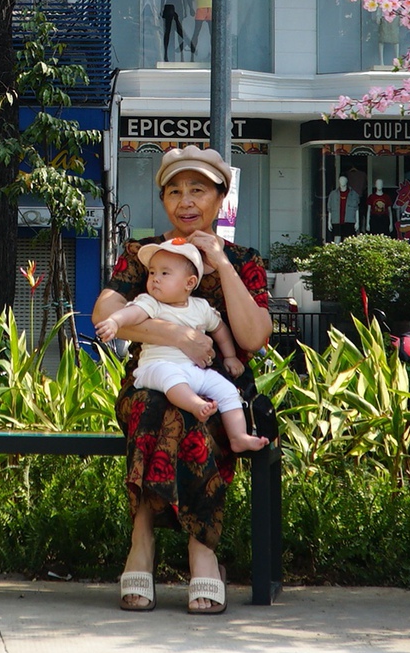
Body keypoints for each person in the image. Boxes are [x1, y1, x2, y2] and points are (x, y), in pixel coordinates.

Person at [91, 145, 273, 615]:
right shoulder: (146, 255)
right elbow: (106, 313)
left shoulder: (244, 260)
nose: (186, 201)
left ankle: (194, 547)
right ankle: (151, 541)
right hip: (152, 379)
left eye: (198, 190)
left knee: (199, 413)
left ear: (220, 198)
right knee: (158, 405)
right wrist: (176, 335)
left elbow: (253, 338)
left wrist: (222, 264)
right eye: (174, 191)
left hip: (223, 389)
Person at [93, 239, 268, 456]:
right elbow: (131, 314)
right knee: (171, 378)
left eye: (165, 273)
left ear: (189, 283)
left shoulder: (200, 307)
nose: (155, 278)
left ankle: (238, 436)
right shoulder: (150, 302)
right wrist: (114, 322)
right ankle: (195, 405)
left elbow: (219, 329)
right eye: (152, 273)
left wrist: (231, 356)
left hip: (193, 370)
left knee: (226, 390)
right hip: (156, 367)